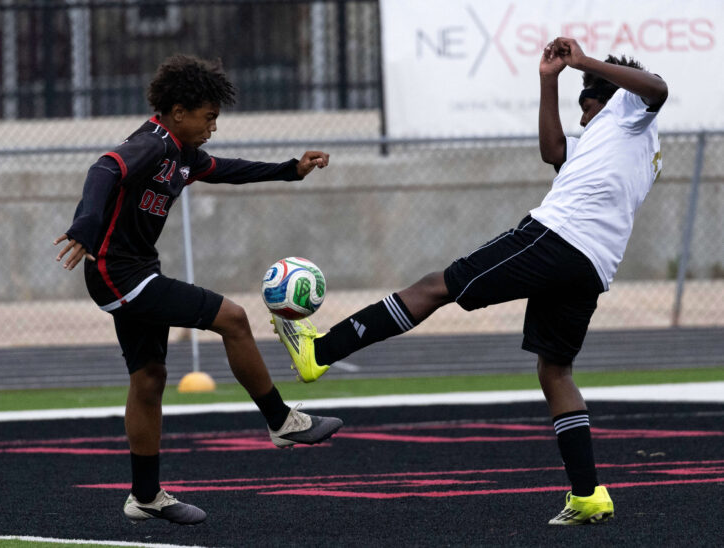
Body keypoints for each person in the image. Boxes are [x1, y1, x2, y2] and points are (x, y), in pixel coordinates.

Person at [272, 37, 667, 525]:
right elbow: (554, 153)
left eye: (585, 109)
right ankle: (589, 494)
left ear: (603, 99)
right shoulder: (624, 140)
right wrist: (549, 82)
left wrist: (582, 62)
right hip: (592, 265)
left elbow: (656, 87)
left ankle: (319, 354)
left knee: (436, 286)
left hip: (558, 237)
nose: (583, 120)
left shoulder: (631, 108)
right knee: (555, 372)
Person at [54, 54, 343, 526]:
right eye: (209, 117)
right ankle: (282, 421)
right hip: (116, 273)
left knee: (149, 379)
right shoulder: (151, 143)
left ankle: (145, 496)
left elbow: (227, 168)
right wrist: (85, 224)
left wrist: (291, 168)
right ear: (178, 111)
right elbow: (104, 169)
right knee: (232, 318)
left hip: (137, 270)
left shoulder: (182, 153)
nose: (213, 127)